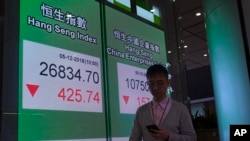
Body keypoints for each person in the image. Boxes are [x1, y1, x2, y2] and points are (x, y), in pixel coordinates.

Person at [129, 64, 196, 141]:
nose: (155, 87)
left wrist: (169, 136)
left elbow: (192, 138)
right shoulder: (141, 111)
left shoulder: (181, 109)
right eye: (151, 83)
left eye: (160, 83)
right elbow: (134, 138)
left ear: (167, 83)